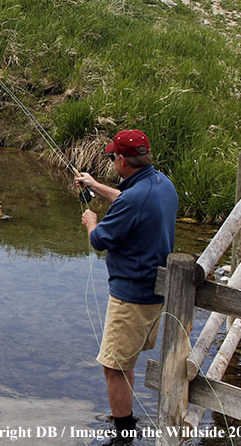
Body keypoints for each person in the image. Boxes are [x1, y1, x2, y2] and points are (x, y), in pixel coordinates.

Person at [74, 129, 178, 443]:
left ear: (122, 160)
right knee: (124, 362)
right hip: (154, 291)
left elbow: (100, 241)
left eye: (113, 157)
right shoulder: (161, 184)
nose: (112, 161)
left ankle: (123, 435)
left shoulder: (134, 199)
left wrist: (91, 220)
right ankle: (126, 418)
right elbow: (126, 198)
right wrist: (93, 185)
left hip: (133, 295)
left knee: (113, 367)